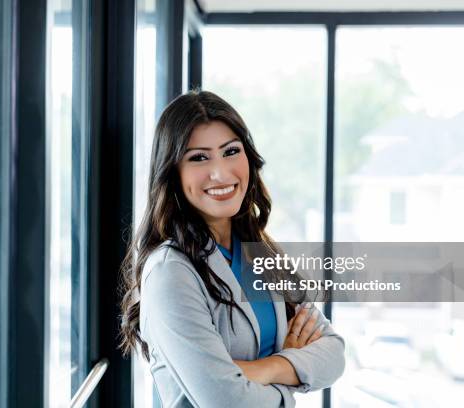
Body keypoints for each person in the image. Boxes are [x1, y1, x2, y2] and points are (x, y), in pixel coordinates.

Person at [119, 90, 345, 407]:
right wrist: (292, 375)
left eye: (230, 151)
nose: (220, 172)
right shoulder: (171, 271)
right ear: (173, 173)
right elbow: (226, 401)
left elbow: (334, 353)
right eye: (198, 157)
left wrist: (268, 367)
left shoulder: (260, 252)